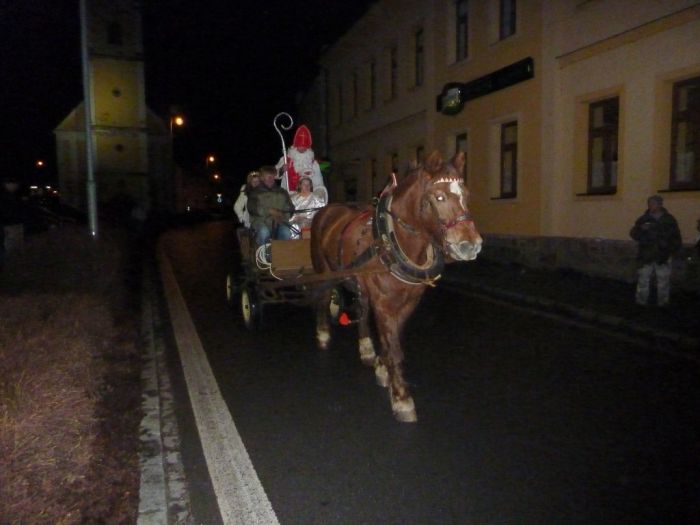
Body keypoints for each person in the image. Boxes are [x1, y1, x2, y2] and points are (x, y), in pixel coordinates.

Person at [629, 195, 682, 306]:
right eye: (649, 203)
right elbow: (633, 233)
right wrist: (641, 230)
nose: (650, 206)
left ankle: (663, 303)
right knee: (643, 280)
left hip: (663, 255)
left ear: (660, 205)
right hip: (646, 255)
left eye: (653, 203)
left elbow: (676, 237)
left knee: (663, 281)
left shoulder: (669, 219)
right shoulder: (643, 218)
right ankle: (641, 302)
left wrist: (674, 251)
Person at [247, 166, 294, 247]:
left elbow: (290, 207)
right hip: (261, 221)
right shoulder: (255, 192)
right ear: (262, 178)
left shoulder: (282, 192)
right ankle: (262, 255)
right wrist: (269, 211)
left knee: (286, 233)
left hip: (279, 221)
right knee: (264, 232)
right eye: (268, 176)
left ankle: (281, 256)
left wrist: (283, 215)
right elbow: (252, 208)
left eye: (272, 176)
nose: (270, 179)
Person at [275, 124, 325, 193]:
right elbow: (274, 175)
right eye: (300, 146)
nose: (302, 148)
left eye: (305, 146)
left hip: (307, 196)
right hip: (289, 195)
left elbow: (318, 180)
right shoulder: (286, 159)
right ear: (295, 145)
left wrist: (318, 193)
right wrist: (282, 170)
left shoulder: (313, 162)